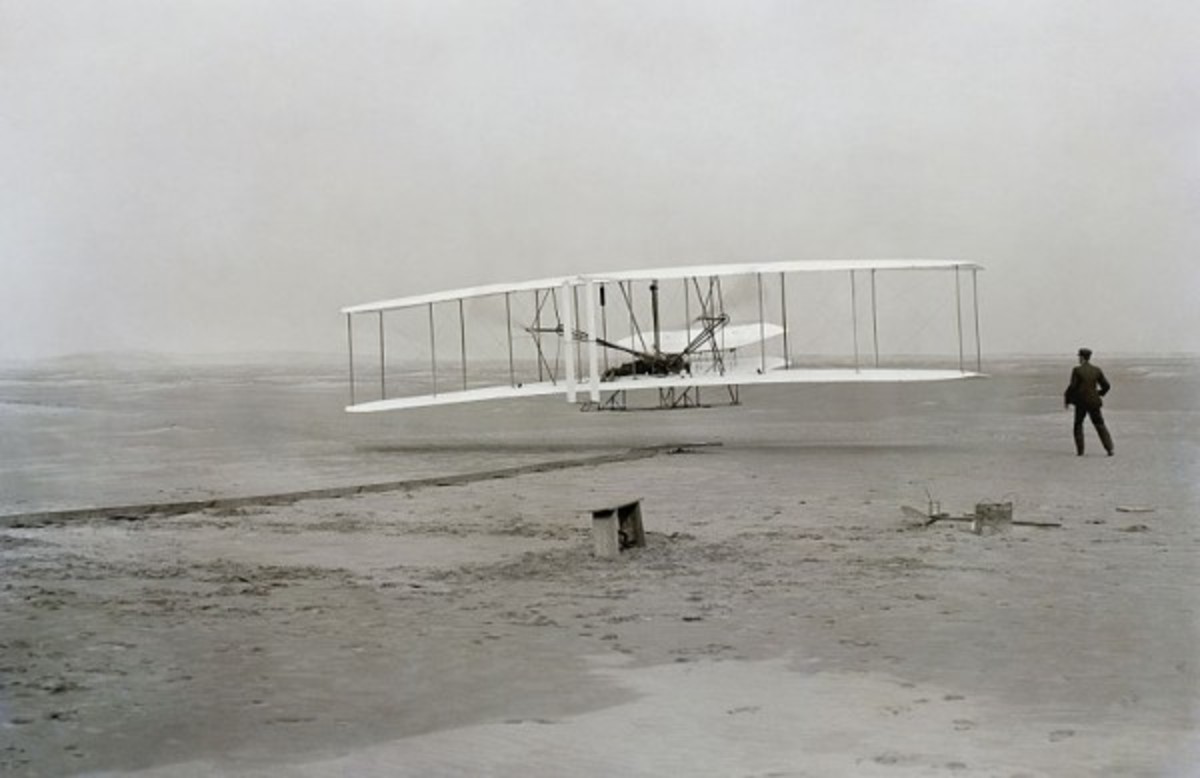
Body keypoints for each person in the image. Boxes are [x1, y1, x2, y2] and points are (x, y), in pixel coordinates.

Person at [1063, 347, 1114, 456]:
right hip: (1094, 401)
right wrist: (1099, 393)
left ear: (1082, 357)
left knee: (1078, 425)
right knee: (1100, 424)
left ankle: (1080, 451)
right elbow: (1107, 386)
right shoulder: (1097, 370)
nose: (1078, 359)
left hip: (1081, 402)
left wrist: (1067, 399)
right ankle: (1109, 449)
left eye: (1079, 357)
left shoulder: (1077, 370)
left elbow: (1072, 387)